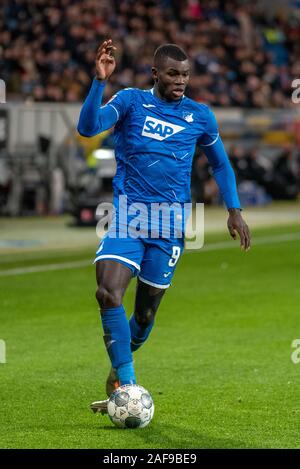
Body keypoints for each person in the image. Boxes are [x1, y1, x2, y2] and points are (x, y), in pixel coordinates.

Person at [77, 39, 251, 415]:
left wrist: (234, 209)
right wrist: (98, 81)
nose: (181, 81)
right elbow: (88, 127)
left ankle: (118, 367)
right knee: (108, 293)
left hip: (170, 227)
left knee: (144, 316)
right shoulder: (129, 102)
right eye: (173, 73)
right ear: (155, 73)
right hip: (127, 218)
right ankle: (127, 382)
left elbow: (220, 164)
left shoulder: (200, 116)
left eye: (186, 75)